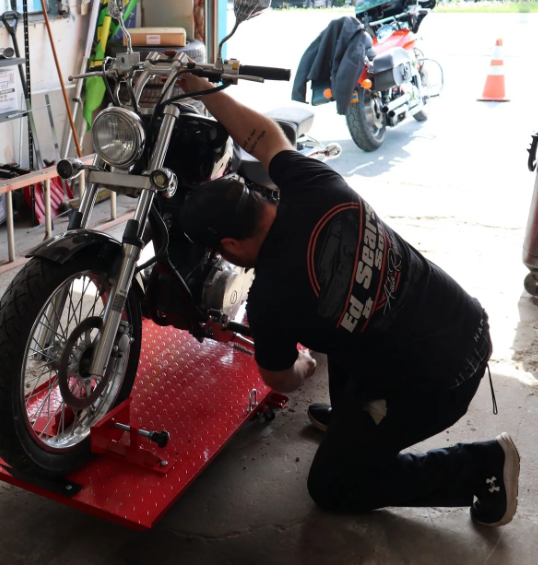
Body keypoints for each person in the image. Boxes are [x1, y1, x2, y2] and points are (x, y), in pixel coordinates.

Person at [179, 74, 520, 526]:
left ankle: (480, 466)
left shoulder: (271, 300)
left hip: (443, 381)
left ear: (232, 246)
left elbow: (283, 378)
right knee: (349, 319)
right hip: (463, 318)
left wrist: (306, 365)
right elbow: (261, 136)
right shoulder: (312, 182)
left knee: (333, 485)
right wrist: (199, 86)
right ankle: (350, 420)